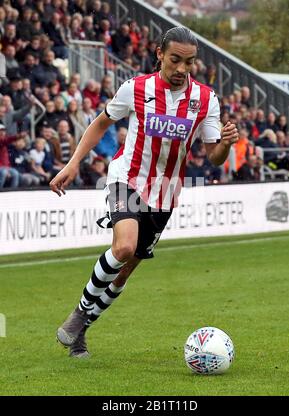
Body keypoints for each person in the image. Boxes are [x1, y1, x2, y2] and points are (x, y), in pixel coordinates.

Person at [50, 27, 239, 358]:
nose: (182, 68)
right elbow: (100, 124)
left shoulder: (206, 100)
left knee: (123, 274)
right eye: (175, 60)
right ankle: (79, 313)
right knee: (124, 247)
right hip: (127, 177)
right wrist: (72, 164)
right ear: (160, 54)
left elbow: (214, 156)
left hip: (165, 192)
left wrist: (224, 144)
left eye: (189, 62)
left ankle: (82, 329)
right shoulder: (136, 88)